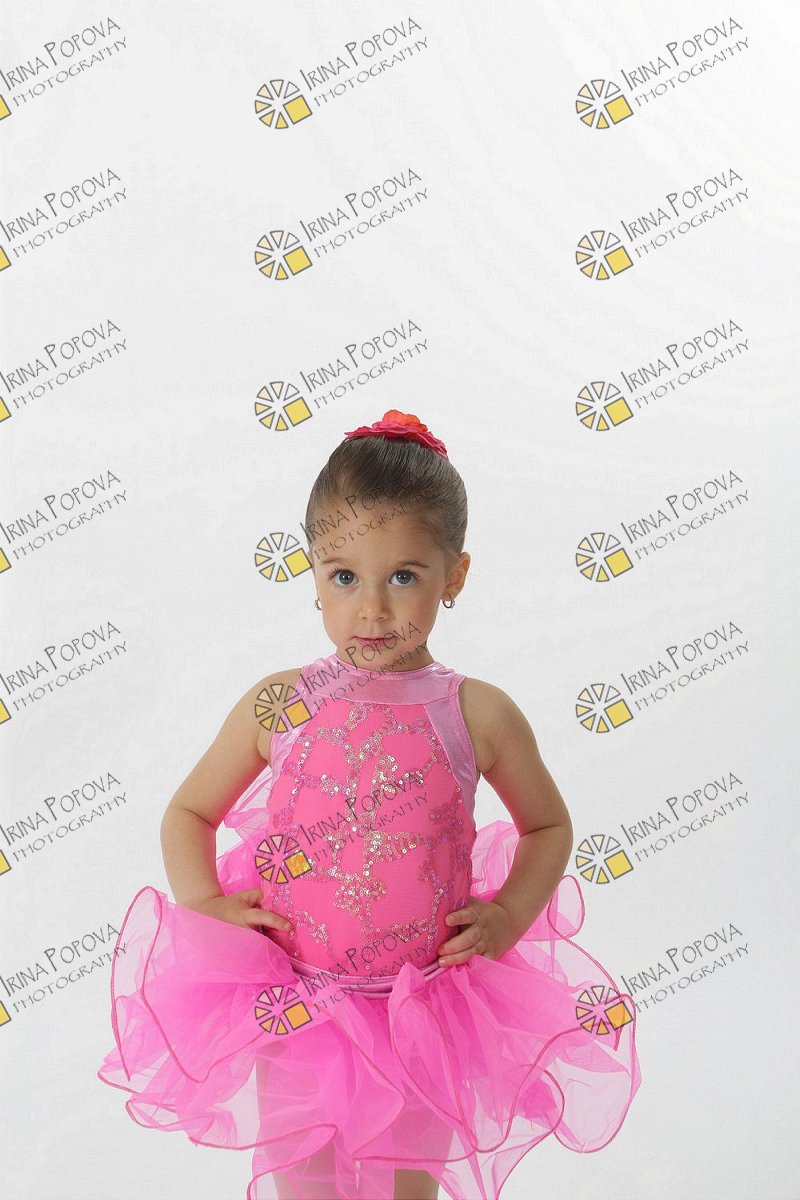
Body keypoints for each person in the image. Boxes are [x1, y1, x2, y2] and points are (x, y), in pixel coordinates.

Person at [97, 409, 642, 1200]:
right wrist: (204, 903)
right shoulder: (281, 703)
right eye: (344, 576)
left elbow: (549, 826)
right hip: (299, 1004)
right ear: (313, 572)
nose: (374, 609)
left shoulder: (476, 712)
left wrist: (508, 915)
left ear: (454, 576)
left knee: (407, 1184)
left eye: (405, 577)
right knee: (305, 1182)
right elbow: (188, 813)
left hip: (426, 1011)